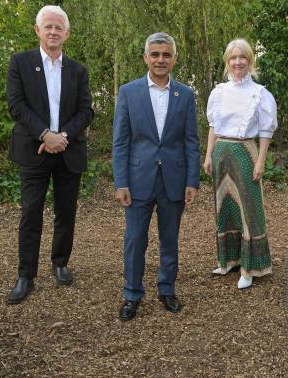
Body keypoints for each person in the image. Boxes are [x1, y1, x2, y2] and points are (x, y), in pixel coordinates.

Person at [6, 5, 93, 304]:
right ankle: (26, 275)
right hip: (34, 149)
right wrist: (45, 134)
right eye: (48, 26)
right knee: (30, 214)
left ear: (66, 33)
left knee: (65, 212)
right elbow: (16, 105)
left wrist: (62, 137)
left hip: (68, 150)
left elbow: (86, 110)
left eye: (59, 27)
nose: (53, 31)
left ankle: (60, 263)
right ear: (37, 30)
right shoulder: (20, 62)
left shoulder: (78, 71)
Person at [112, 32, 200, 320]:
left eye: (166, 54)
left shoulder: (185, 95)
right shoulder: (129, 92)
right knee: (135, 239)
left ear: (174, 59)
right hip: (138, 180)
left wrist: (192, 181)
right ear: (145, 57)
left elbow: (191, 141)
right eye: (155, 54)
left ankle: (167, 289)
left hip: (173, 180)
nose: (160, 59)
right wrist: (121, 182)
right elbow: (121, 141)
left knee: (169, 239)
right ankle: (132, 294)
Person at [203, 39, 277, 290]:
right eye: (233, 58)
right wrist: (208, 155)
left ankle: (250, 266)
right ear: (227, 61)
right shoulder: (219, 92)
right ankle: (229, 261)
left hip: (245, 151)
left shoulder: (260, 94)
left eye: (242, 57)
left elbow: (266, 131)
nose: (237, 62)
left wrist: (260, 160)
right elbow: (213, 126)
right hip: (221, 151)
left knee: (248, 208)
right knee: (224, 207)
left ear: (249, 61)